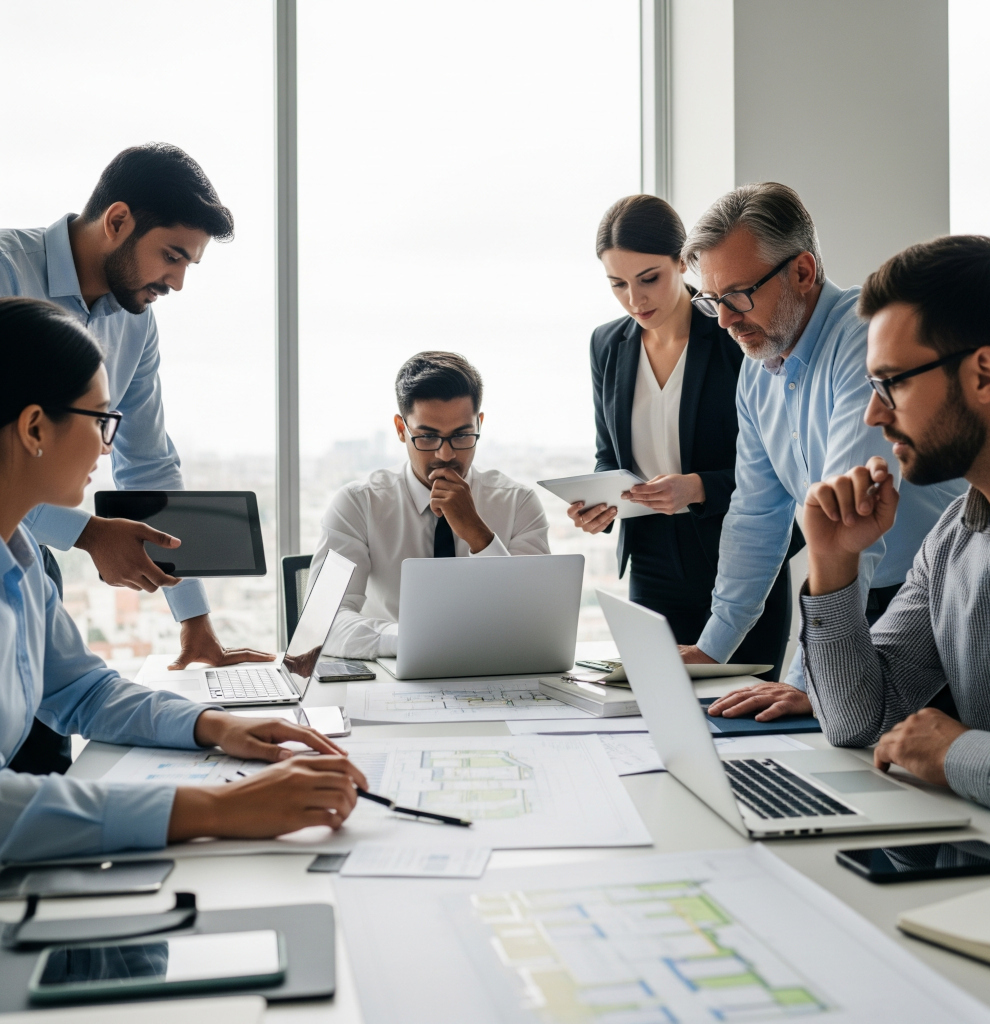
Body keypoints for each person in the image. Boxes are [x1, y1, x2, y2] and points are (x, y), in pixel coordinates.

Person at [0, 297, 367, 861]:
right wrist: (219, 810)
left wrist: (215, 727)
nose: (109, 443)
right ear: (33, 427)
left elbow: (82, 690)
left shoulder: (22, 560)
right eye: (101, 419)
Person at [0, 143, 273, 775]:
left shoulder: (136, 320)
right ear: (117, 221)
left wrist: (195, 624)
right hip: (27, 534)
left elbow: (148, 468)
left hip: (29, 555)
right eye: (172, 255)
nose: (177, 281)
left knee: (43, 758)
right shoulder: (7, 274)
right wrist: (88, 531)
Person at [675, 183, 965, 721]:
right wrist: (712, 650)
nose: (723, 320)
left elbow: (847, 519)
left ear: (803, 273)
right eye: (711, 300)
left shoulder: (863, 339)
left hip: (933, 597)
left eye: (737, 295)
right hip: (852, 592)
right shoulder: (756, 371)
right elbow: (756, 516)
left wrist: (810, 680)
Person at [798, 235, 990, 821]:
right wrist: (833, 564)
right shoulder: (952, 541)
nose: (874, 415)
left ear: (983, 374)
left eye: (891, 383)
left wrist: (960, 754)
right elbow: (857, 721)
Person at [571, 194, 798, 679]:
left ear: (682, 261)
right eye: (618, 284)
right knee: (655, 707)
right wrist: (599, 501)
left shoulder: (735, 334)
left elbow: (781, 467)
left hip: (738, 560)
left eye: (649, 279)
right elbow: (608, 453)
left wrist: (696, 487)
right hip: (651, 563)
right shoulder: (607, 344)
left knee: (747, 718)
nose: (635, 299)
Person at [311, 351, 549, 660]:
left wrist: (478, 534)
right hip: (391, 672)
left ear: (479, 424)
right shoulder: (358, 504)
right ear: (401, 429)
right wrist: (414, 640)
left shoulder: (518, 503)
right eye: (427, 437)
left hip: (493, 673)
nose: (447, 454)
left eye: (462, 435)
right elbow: (323, 622)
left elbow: (536, 621)